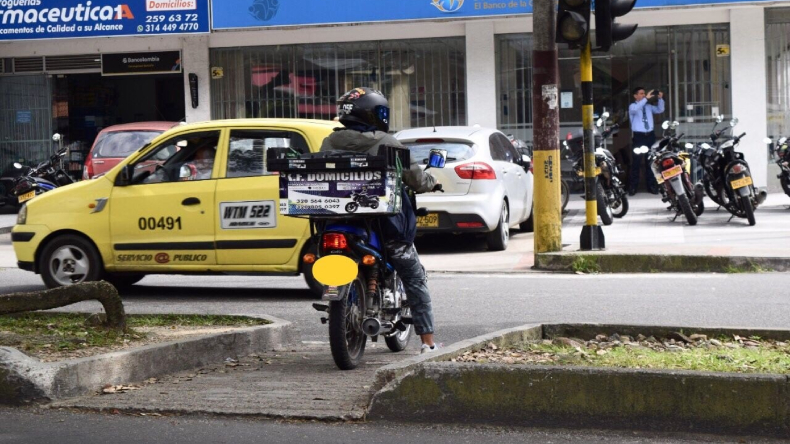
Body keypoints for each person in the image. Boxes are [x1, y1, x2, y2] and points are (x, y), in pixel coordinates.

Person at [320, 87, 441, 354]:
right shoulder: (388, 142)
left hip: (338, 222)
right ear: (374, 114)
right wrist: (432, 182)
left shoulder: (329, 142)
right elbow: (416, 179)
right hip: (386, 228)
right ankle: (428, 343)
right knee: (414, 277)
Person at [628, 87, 665, 195]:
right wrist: (646, 99)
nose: (644, 95)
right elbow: (635, 110)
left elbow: (660, 110)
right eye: (641, 93)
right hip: (639, 137)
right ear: (635, 96)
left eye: (644, 93)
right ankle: (633, 187)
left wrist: (660, 99)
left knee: (651, 161)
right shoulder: (633, 106)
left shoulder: (648, 107)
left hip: (650, 136)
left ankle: (652, 186)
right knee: (636, 162)